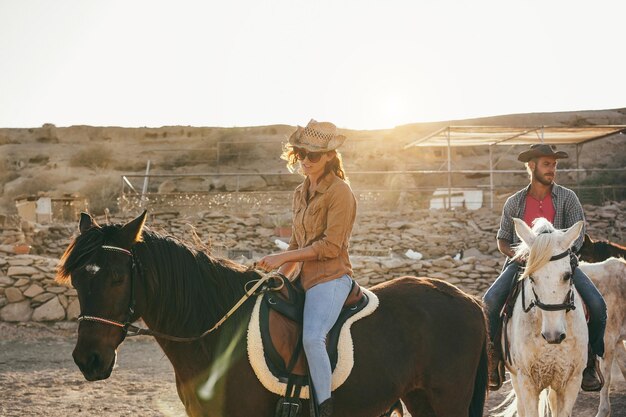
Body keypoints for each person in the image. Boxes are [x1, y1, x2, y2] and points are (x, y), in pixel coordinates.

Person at [483, 143, 607, 392]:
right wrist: (518, 256)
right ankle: (493, 360)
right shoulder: (514, 202)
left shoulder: (568, 198)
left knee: (597, 304)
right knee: (490, 301)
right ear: (531, 166)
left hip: (562, 263)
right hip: (523, 265)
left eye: (554, 165)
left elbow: (579, 236)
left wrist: (558, 255)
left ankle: (590, 362)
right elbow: (503, 239)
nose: (552, 169)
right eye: (546, 164)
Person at [257, 119, 357, 417]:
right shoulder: (300, 192)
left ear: (329, 157)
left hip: (330, 278)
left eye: (313, 155)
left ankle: (323, 409)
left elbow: (331, 247)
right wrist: (275, 276)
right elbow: (295, 247)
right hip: (302, 278)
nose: (305, 161)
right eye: (301, 153)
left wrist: (284, 260)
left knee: (313, 338)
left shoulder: (340, 192)